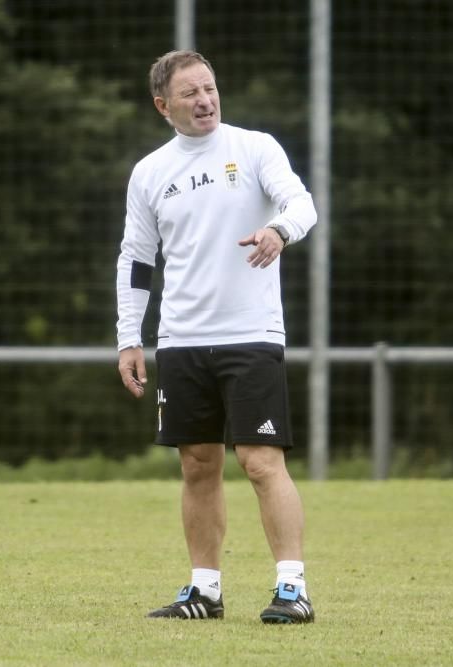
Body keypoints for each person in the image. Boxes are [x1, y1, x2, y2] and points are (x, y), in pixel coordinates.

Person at [116, 50, 318, 624]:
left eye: (209, 88)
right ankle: (205, 591)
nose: (205, 100)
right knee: (197, 464)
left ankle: (292, 588)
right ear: (163, 105)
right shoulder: (150, 172)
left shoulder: (254, 148)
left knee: (260, 461)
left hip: (250, 334)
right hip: (181, 340)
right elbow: (135, 259)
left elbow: (302, 203)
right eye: (190, 93)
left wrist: (279, 230)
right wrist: (129, 337)